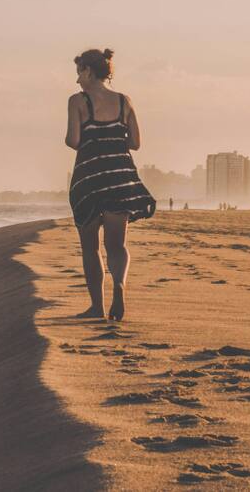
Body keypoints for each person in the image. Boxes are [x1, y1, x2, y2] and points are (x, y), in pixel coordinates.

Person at [65, 48, 156, 321]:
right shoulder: (124, 101)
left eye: (79, 72)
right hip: (120, 177)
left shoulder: (77, 101)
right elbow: (136, 143)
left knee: (91, 247)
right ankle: (119, 284)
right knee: (116, 246)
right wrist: (113, 140)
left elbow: (73, 140)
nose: (77, 79)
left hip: (90, 179)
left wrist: (95, 139)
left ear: (89, 72)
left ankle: (96, 308)